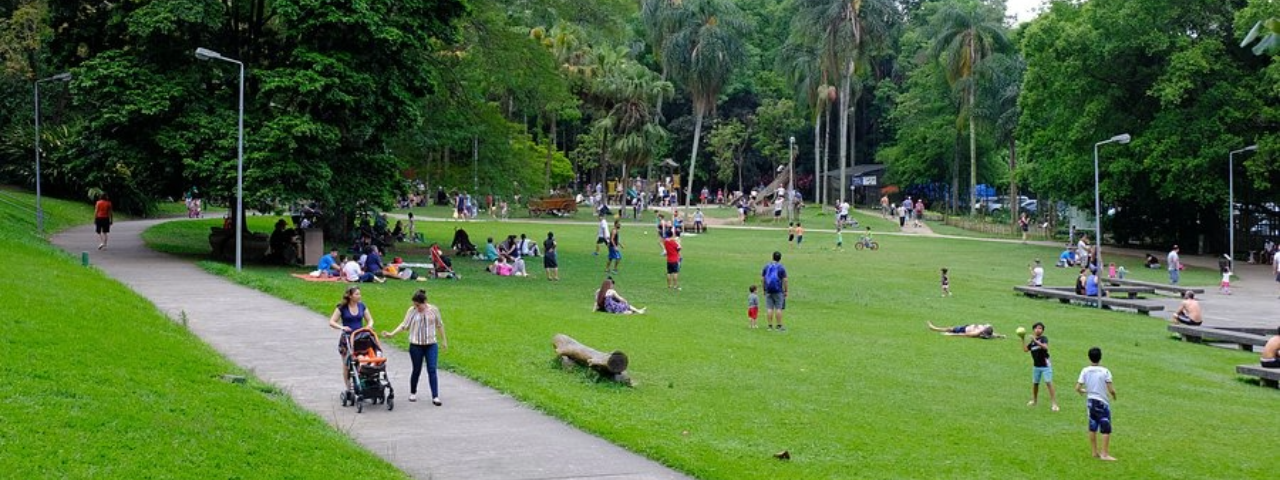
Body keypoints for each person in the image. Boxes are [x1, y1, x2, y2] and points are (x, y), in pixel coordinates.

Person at [382, 289, 447, 405]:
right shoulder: (412, 311)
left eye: (418, 305)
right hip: (416, 345)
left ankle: (435, 396)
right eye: (415, 305)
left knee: (432, 369)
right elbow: (404, 325)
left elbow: (440, 325)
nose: (417, 307)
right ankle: (413, 392)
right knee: (416, 369)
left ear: (425, 302)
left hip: (431, 344)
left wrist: (444, 340)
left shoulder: (433, 310)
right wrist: (392, 334)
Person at [328, 286, 375, 393]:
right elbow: (332, 321)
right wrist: (342, 327)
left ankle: (362, 382)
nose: (359, 296)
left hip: (360, 338)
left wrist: (369, 326)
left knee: (362, 359)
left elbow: (370, 319)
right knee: (346, 364)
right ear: (350, 296)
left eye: (359, 294)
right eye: (357, 294)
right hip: (347, 339)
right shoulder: (342, 307)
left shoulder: (362, 306)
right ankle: (348, 387)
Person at [1076, 347, 1117, 461]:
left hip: (1090, 401)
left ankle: (1094, 452)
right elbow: (1111, 389)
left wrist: (1084, 391)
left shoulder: (1085, 370)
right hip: (1102, 402)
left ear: (1089, 357)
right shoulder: (1105, 371)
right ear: (1100, 357)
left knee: (1092, 426)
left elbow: (1078, 388)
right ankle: (1104, 454)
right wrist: (1114, 395)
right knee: (1105, 428)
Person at [1021, 322, 1059, 411]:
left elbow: (1045, 347)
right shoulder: (1032, 342)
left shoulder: (1043, 339)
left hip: (1046, 365)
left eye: (1040, 328)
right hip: (1036, 366)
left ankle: (1054, 404)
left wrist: (1036, 341)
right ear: (1034, 330)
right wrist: (1022, 339)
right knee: (1035, 384)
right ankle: (1034, 401)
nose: (1038, 330)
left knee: (1048, 383)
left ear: (1042, 331)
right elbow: (1025, 350)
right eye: (1037, 328)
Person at [761, 251, 788, 331]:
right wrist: (786, 290)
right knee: (778, 308)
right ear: (780, 258)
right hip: (778, 290)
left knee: (769, 308)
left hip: (768, 290)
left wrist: (764, 289)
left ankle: (769, 326)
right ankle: (779, 325)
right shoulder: (781, 267)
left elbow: (762, 279)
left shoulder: (767, 266)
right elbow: (785, 280)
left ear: (772, 257)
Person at [926, 321, 1005, 339]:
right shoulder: (988, 331)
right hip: (966, 327)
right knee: (949, 328)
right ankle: (934, 328)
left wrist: (951, 334)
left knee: (949, 329)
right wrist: (1000, 336)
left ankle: (934, 328)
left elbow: (964, 335)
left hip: (962, 330)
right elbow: (993, 334)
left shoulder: (977, 332)